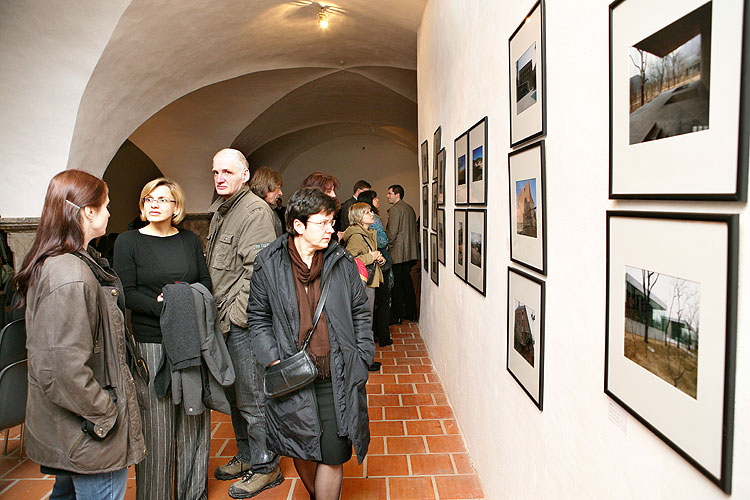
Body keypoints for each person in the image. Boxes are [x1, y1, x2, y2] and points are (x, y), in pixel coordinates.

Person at [14, 170, 145, 499]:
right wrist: (107, 413)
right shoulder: (70, 276)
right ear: (88, 212)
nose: (110, 213)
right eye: (106, 206)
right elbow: (62, 369)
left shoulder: (67, 263)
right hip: (89, 435)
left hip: (77, 432)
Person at [247, 188, 374, 500]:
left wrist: (362, 355)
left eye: (332, 221)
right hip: (291, 374)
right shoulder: (269, 264)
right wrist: (274, 360)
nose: (332, 229)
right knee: (301, 447)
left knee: (333, 451)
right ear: (299, 226)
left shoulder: (342, 261)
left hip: (337, 372)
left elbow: (360, 312)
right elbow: (258, 317)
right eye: (323, 223)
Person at [113, 178, 212, 500]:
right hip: (152, 342)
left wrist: (186, 305)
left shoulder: (189, 241)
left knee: (193, 420)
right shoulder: (128, 242)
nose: (154, 204)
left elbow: (205, 283)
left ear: (176, 207)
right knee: (156, 426)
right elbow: (125, 294)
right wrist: (167, 307)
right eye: (148, 199)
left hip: (190, 339)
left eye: (162, 199)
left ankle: (192, 493)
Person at [207, 148, 283, 498]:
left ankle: (266, 467)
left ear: (245, 175)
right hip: (223, 322)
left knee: (252, 399)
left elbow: (258, 274)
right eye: (215, 172)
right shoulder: (222, 211)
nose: (220, 178)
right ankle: (248, 455)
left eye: (227, 172)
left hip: (242, 324)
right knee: (236, 396)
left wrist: (237, 319)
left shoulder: (255, 211)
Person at [342, 202, 385, 371]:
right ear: (359, 217)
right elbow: (349, 260)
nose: (372, 214)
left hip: (368, 281)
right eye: (368, 212)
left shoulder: (365, 233)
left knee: (367, 320)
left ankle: (366, 359)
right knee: (364, 322)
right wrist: (370, 256)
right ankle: (364, 361)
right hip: (363, 284)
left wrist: (378, 258)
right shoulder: (357, 237)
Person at [357, 190, 393, 347]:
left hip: (372, 268)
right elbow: (383, 241)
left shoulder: (357, 229)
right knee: (381, 302)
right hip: (374, 269)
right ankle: (381, 337)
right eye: (375, 197)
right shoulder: (374, 221)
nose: (379, 199)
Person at [385, 184, 419, 324]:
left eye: (389, 193)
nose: (387, 196)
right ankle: (411, 313)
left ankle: (397, 316)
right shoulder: (410, 208)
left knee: (396, 286)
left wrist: (387, 244)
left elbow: (392, 234)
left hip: (397, 253)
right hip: (409, 252)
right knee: (407, 283)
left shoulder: (394, 210)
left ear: (397, 194)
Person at [249, 166, 284, 238]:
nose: (280, 193)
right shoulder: (261, 211)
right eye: (278, 188)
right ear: (267, 187)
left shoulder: (256, 207)